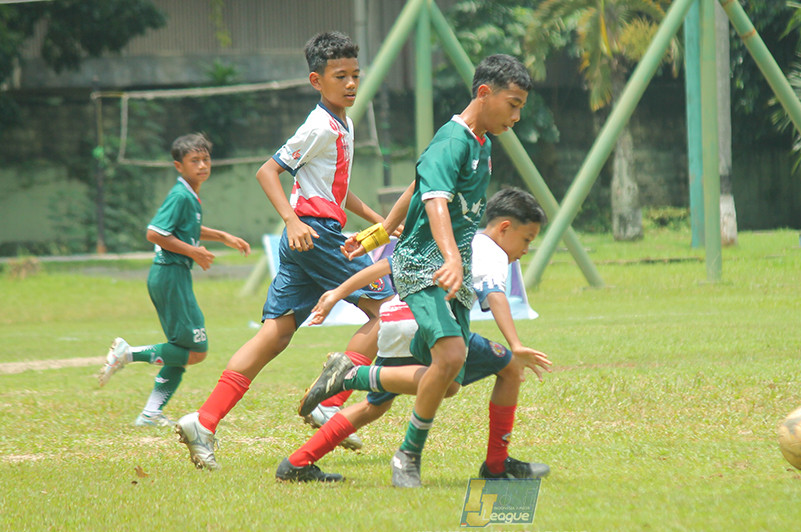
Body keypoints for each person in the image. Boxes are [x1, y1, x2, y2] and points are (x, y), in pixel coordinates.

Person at [174, 31, 394, 470]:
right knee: (387, 313)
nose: (350, 84)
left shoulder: (342, 122)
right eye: (339, 76)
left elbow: (338, 189)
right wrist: (292, 222)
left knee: (275, 334)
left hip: (310, 236)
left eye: (355, 74)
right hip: (315, 234)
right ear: (317, 80)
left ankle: (204, 420)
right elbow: (268, 171)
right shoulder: (318, 125)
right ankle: (330, 401)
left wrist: (381, 221)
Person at [276, 186, 552, 484]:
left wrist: (337, 293)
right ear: (505, 227)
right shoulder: (491, 250)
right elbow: (496, 294)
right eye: (526, 240)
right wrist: (516, 344)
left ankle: (296, 463)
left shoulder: (451, 241)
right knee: (498, 369)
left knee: (374, 406)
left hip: (394, 319)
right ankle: (497, 464)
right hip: (425, 324)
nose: (525, 251)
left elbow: (389, 265)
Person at [98, 133, 251, 426]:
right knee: (196, 351)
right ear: (178, 165)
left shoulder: (189, 194)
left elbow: (186, 228)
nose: (203, 165)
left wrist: (222, 236)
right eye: (195, 161)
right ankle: (127, 354)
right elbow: (154, 233)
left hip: (172, 276)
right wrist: (194, 252)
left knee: (181, 351)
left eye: (206, 159)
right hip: (170, 275)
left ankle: (150, 414)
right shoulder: (180, 195)